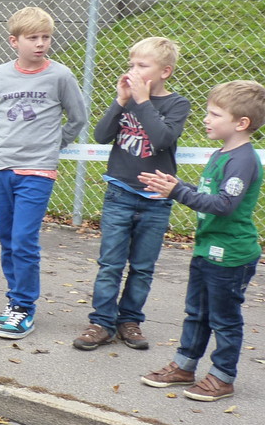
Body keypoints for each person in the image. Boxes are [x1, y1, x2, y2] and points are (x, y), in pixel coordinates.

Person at [137, 81, 265, 403]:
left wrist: (177, 193)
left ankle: (222, 377)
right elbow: (210, 194)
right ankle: (184, 366)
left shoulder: (243, 160)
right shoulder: (222, 153)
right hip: (206, 250)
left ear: (241, 123)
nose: (206, 119)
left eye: (214, 114)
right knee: (197, 313)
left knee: (224, 320)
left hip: (230, 256)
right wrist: (179, 184)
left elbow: (223, 205)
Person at [0, 7, 87, 340]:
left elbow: (77, 119)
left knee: (24, 241)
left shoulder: (60, 75)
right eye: (32, 38)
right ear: (14, 41)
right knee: (7, 241)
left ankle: (24, 308)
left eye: (45, 37)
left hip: (37, 171)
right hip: (2, 168)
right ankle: (13, 301)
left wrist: (53, 145)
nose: (40, 44)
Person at [73, 38, 190, 352]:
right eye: (132, 65)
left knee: (142, 266)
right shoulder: (128, 101)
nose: (133, 71)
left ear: (165, 72)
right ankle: (101, 321)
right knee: (111, 263)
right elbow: (101, 135)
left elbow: (163, 138)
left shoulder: (177, 104)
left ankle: (130, 320)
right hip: (119, 194)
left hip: (156, 201)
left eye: (142, 66)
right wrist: (121, 100)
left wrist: (142, 101)